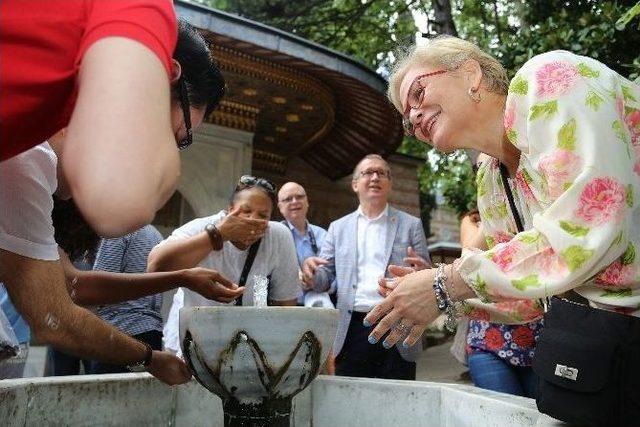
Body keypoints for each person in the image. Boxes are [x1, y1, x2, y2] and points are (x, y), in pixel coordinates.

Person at [365, 36, 640, 423]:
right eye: (408, 120)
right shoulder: (491, 179)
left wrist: (447, 282)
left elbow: (588, 230)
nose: (413, 117)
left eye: (417, 92)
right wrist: (437, 296)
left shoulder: (548, 81)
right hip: (615, 352)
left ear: (471, 73)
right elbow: (530, 296)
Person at [302, 154, 430, 380]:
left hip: (397, 323)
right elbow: (324, 278)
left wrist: (424, 273)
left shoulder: (411, 225)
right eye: (368, 173)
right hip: (352, 327)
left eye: (381, 173)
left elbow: (425, 274)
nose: (374, 177)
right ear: (355, 184)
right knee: (352, 403)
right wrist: (310, 273)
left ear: (389, 183)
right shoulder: (338, 228)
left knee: (399, 402)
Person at [148, 176, 300, 355]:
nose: (252, 221)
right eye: (246, 211)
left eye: (262, 215)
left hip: (245, 346)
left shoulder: (278, 237)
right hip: (191, 341)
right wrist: (217, 234)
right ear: (230, 210)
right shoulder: (200, 228)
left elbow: (285, 304)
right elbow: (155, 267)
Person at [455, 154, 541, 398]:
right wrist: (492, 203)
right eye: (481, 168)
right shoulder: (472, 220)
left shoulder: (533, 206)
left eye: (496, 164)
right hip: (488, 339)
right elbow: (468, 257)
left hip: (538, 335)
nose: (490, 171)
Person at [277, 182, 331, 308]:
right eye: (288, 199)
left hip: (317, 303)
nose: (295, 201)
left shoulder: (323, 235)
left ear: (307, 202)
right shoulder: (274, 233)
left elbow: (332, 274)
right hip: (281, 305)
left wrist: (314, 279)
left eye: (299, 197)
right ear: (280, 207)